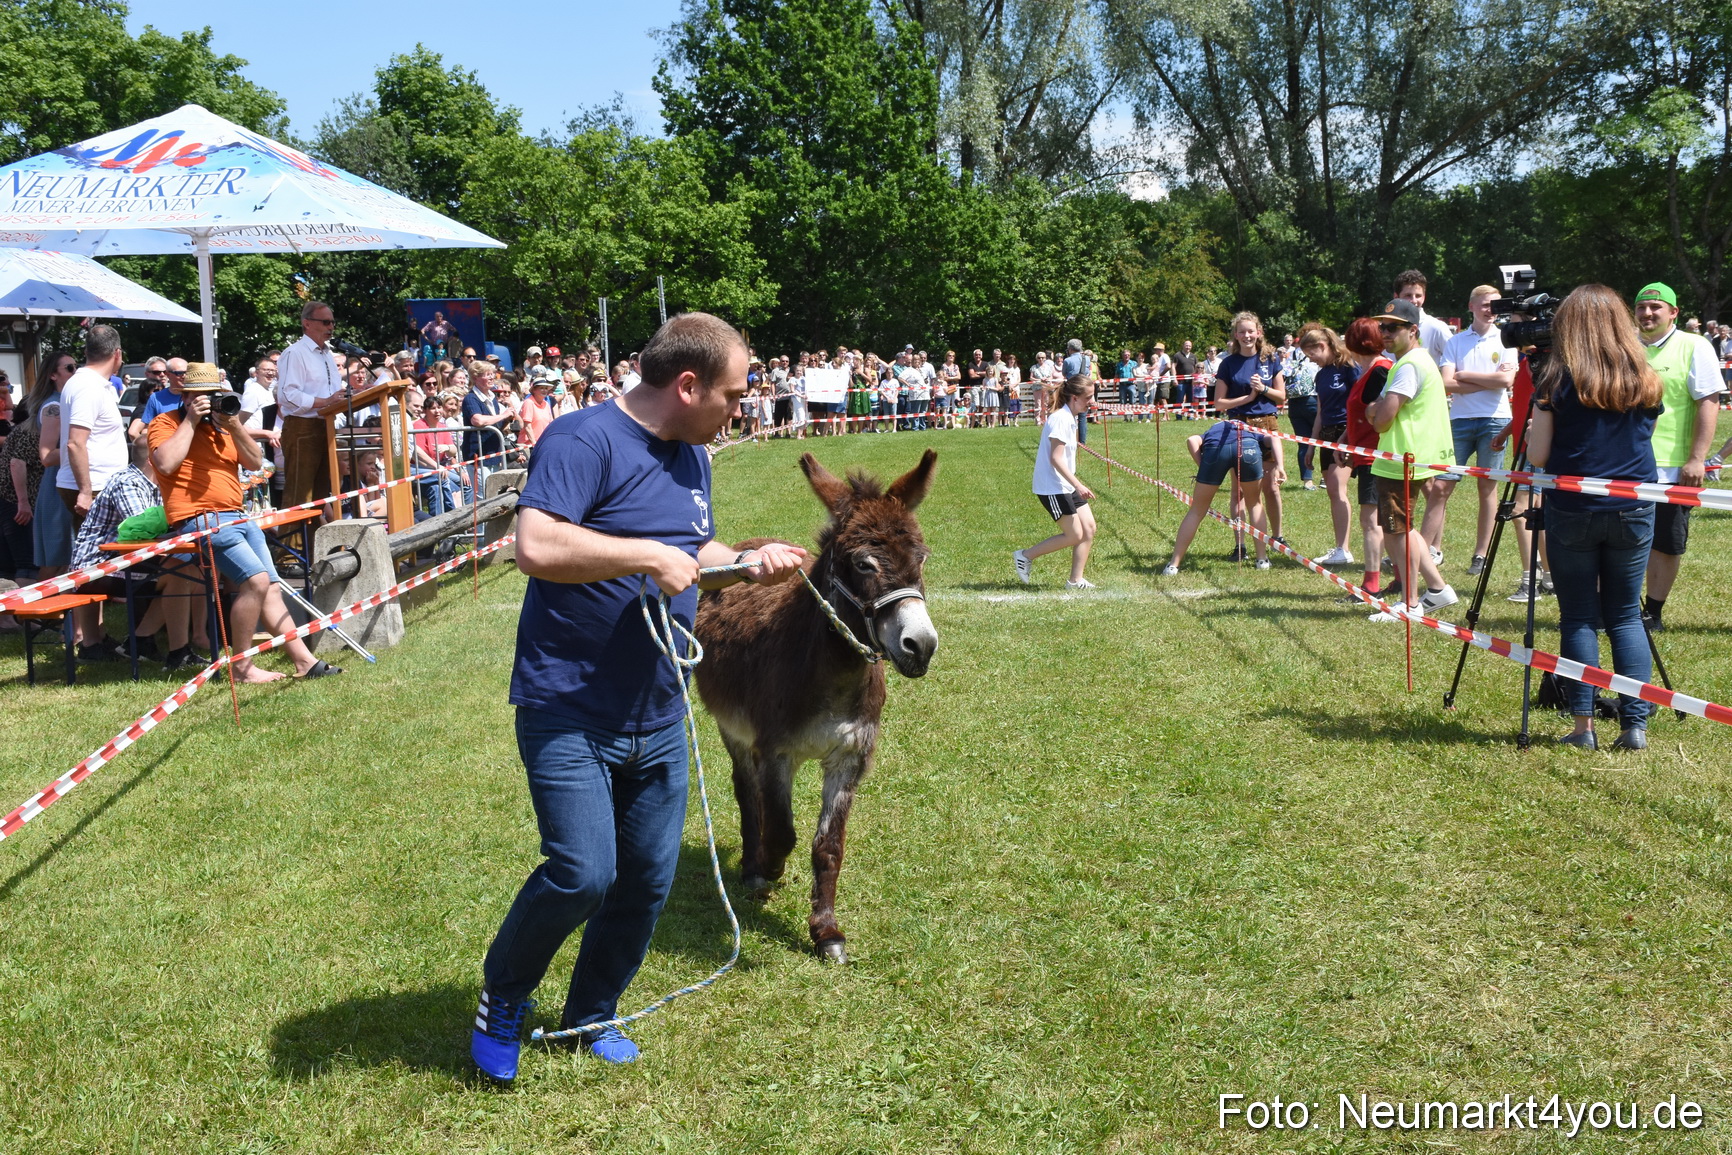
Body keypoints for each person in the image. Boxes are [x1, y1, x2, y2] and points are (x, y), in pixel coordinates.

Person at [470, 312, 807, 1082]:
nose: (741, 406)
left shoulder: (694, 456)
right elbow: (538, 544)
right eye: (732, 392)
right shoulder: (581, 440)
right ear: (686, 386)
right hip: (569, 704)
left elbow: (694, 550)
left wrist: (745, 560)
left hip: (657, 708)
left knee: (647, 876)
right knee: (581, 870)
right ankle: (502, 996)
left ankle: (592, 1010)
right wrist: (648, 554)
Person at [1524, 285, 1665, 750]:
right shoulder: (1645, 377)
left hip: (1575, 509)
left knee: (1579, 617)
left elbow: (1538, 456)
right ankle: (1635, 726)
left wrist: (1535, 422)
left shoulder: (1555, 381)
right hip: (1634, 507)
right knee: (1626, 615)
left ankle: (1584, 728)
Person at [148, 364, 338, 681]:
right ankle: (241, 667)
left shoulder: (224, 428)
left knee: (271, 588)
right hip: (202, 518)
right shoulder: (166, 423)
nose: (212, 401)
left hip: (239, 516)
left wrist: (235, 425)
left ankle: (304, 662)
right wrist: (192, 421)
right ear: (188, 397)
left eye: (216, 395)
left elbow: (253, 462)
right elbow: (165, 464)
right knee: (255, 582)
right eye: (204, 396)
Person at [1632, 282, 1723, 633]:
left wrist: (1697, 458)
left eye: (1656, 307)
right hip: (1624, 466)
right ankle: (1618, 609)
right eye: (1641, 307)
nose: (1648, 313)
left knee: (1666, 543)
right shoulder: (1625, 347)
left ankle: (1652, 612)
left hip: (1672, 468)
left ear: (1673, 313)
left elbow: (1708, 403)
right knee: (1619, 541)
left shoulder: (1694, 346)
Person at [1364, 299, 1458, 622]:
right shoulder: (1418, 360)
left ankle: (1411, 602)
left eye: (1393, 327)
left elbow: (1383, 417)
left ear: (1413, 330)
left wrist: (1374, 415)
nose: (1385, 334)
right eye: (1382, 327)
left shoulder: (1407, 366)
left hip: (1401, 459)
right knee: (1403, 528)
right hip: (1411, 457)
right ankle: (1437, 588)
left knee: (1396, 532)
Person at [1435, 284, 1519, 575]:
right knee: (1442, 485)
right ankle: (1434, 549)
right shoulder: (1456, 341)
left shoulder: (1507, 339)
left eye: (1495, 305)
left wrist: (1465, 375)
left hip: (1494, 420)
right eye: (1484, 305)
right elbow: (1445, 383)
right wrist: (1489, 380)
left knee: (1487, 489)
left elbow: (1506, 383)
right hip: (1459, 421)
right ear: (1470, 306)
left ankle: (1480, 555)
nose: (1490, 310)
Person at [58, 324, 131, 656]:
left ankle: (95, 636)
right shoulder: (88, 386)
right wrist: (86, 491)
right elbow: (76, 443)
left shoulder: (91, 384)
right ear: (117, 355)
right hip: (93, 488)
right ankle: (89, 641)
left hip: (97, 486)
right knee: (90, 565)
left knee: (97, 565)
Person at [1211, 312, 1287, 554]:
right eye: (1242, 332)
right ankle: (1240, 544)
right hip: (1239, 427)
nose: (1246, 336)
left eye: (1250, 331)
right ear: (1236, 335)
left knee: (1271, 486)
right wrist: (1247, 397)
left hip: (1267, 425)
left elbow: (1281, 396)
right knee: (1239, 490)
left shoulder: (1271, 359)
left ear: (1259, 332)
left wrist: (1262, 388)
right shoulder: (1228, 363)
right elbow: (1219, 404)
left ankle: (1277, 537)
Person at [1012, 376, 1097, 589]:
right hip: (1052, 487)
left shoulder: (1071, 416)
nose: (1092, 401)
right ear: (1074, 397)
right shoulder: (1061, 419)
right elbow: (1056, 459)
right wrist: (1079, 485)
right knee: (1075, 534)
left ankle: (1075, 581)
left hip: (1064, 484)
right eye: (1088, 397)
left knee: (1089, 529)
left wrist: (1074, 484)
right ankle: (1025, 556)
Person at [1162, 420, 1272, 573]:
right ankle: (1262, 560)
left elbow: (1191, 440)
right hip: (1248, 448)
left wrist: (1204, 467)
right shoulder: (1251, 430)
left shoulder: (1213, 429)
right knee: (1255, 504)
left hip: (1215, 450)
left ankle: (1173, 565)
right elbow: (1273, 439)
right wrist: (1279, 465)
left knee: (1197, 510)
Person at [279, 302, 349, 508]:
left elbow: (333, 392)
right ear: (307, 323)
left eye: (333, 322)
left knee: (319, 498)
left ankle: (313, 540)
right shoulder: (295, 353)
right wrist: (325, 402)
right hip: (302, 428)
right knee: (300, 498)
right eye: (326, 322)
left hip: (326, 426)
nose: (331, 327)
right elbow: (287, 395)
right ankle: (292, 541)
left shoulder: (327, 354)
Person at [1299, 324, 1357, 565]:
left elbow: (1358, 402)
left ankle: (1344, 549)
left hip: (1347, 432)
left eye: (1312, 354)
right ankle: (1340, 547)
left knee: (1336, 487)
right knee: (1333, 491)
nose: (1311, 360)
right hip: (1327, 434)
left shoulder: (1348, 367)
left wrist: (1351, 435)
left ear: (1323, 346)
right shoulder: (1321, 374)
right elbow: (1321, 410)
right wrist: (1312, 443)